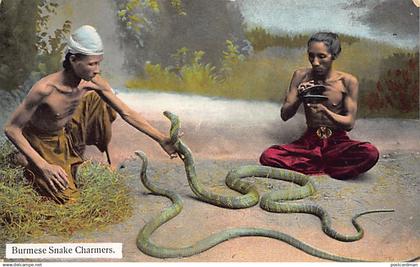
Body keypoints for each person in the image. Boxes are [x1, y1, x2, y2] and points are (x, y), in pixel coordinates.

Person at [4, 25, 178, 204]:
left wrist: (161, 139)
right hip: (41, 142)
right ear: (73, 60)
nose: (97, 70)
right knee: (69, 200)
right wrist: (43, 166)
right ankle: (23, 160)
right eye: (92, 64)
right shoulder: (45, 89)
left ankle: (79, 158)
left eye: (98, 63)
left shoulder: (92, 83)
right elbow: (11, 129)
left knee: (99, 101)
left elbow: (126, 112)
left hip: (65, 135)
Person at [259, 32, 379, 179]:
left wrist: (326, 111)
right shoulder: (300, 76)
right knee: (268, 156)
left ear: (333, 55)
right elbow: (285, 115)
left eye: (321, 57)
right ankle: (329, 167)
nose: (315, 62)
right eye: (311, 56)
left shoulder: (347, 81)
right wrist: (300, 96)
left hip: (337, 142)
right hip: (309, 142)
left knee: (370, 153)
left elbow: (349, 124)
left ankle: (315, 166)